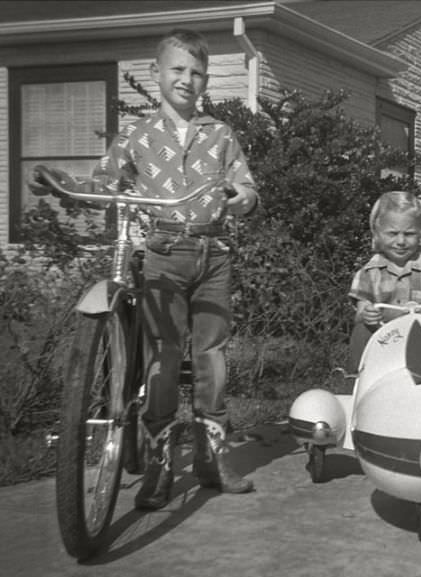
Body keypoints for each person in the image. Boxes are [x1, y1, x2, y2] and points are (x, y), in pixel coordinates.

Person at [31, 28, 258, 509]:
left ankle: (213, 458)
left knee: (212, 356)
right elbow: (103, 181)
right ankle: (159, 465)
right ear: (156, 74)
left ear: (205, 81)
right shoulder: (135, 136)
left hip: (212, 254)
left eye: (197, 72)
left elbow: (246, 187)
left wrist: (243, 198)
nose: (187, 79)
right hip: (161, 255)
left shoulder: (220, 134)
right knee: (163, 358)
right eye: (177, 69)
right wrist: (63, 183)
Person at [346, 191, 421, 372]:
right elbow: (361, 311)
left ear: (420, 235)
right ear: (377, 233)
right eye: (392, 233)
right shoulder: (368, 273)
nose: (400, 241)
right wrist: (366, 314)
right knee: (362, 329)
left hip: (419, 341)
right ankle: (357, 379)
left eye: (409, 234)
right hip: (381, 342)